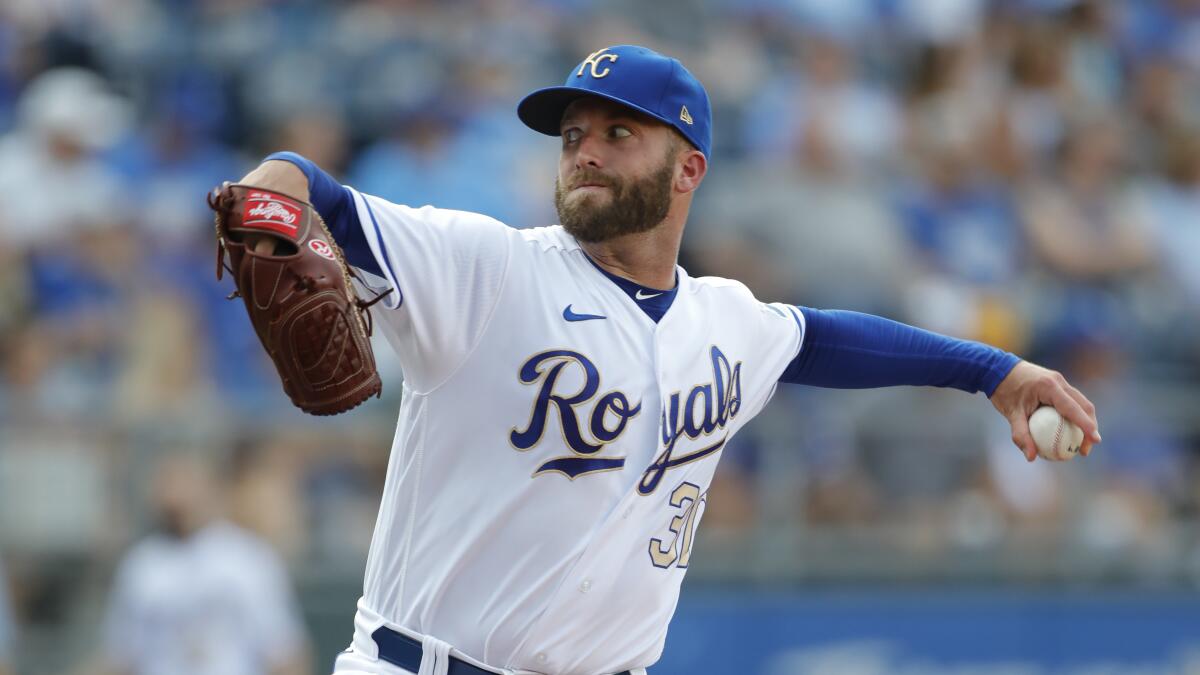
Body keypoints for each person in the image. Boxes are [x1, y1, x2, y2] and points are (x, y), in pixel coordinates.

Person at [233, 45, 1100, 675]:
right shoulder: (488, 267)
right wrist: (270, 200)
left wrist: (998, 371)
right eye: (572, 134)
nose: (586, 151)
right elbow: (300, 178)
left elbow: (829, 338)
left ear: (689, 169)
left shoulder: (725, 321)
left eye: (619, 132)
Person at [97, 451, 311, 675]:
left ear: (209, 486)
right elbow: (121, 656)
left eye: (185, 481)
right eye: (167, 482)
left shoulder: (248, 558)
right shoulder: (141, 564)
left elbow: (285, 653)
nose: (176, 494)